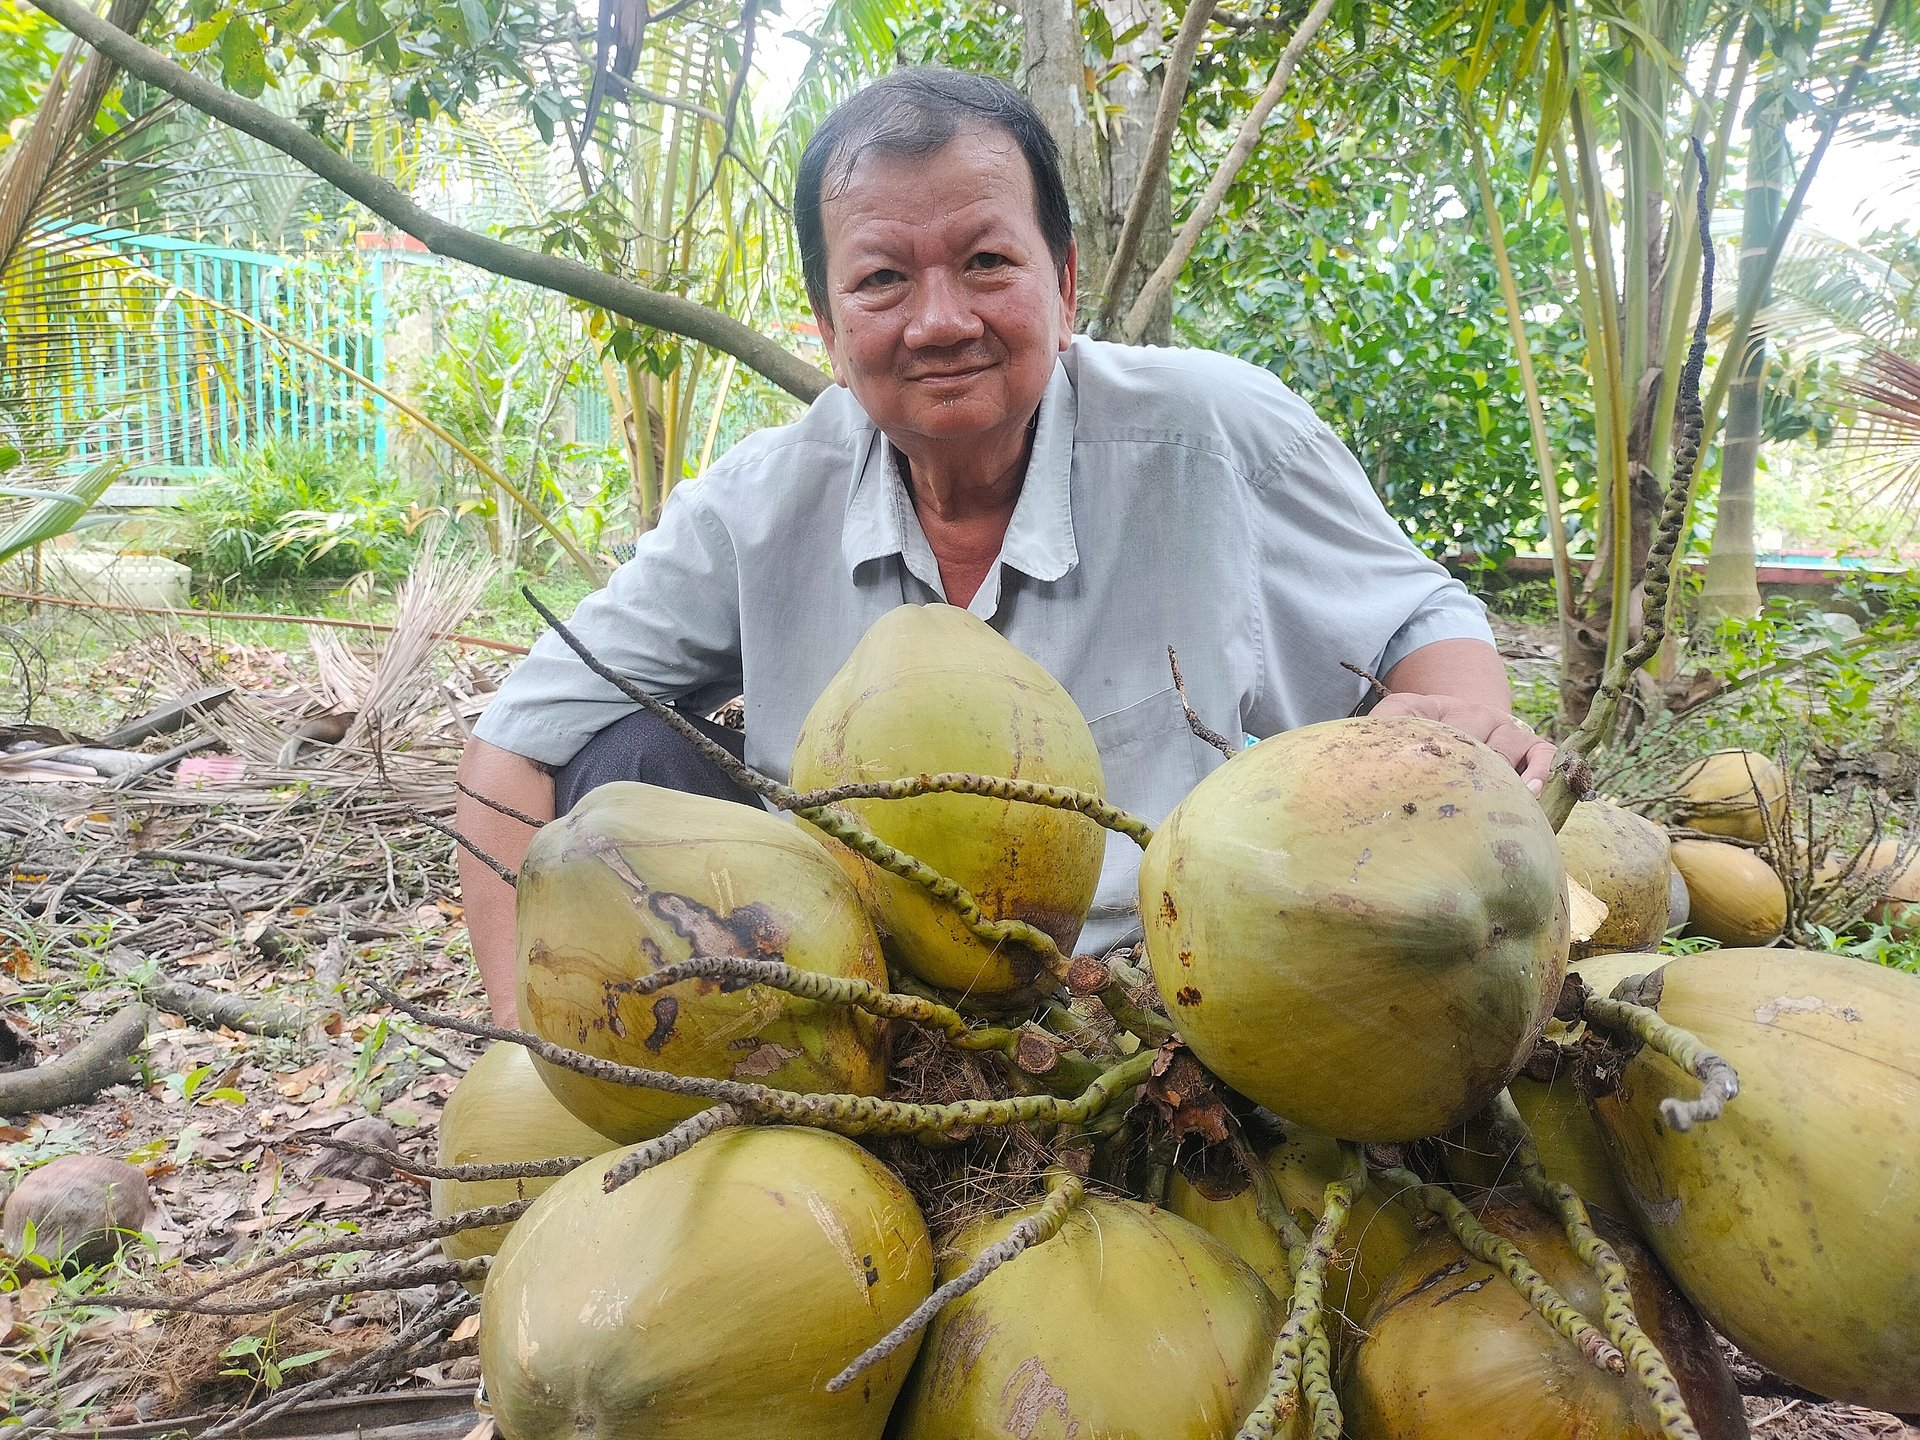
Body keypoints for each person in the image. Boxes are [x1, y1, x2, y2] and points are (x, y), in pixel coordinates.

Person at [457, 67, 1556, 1025]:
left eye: (986, 261)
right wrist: (523, 1038)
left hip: (1192, 995)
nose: (940, 321)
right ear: (830, 330)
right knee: (617, 764)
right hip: (857, 1004)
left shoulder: (1216, 438)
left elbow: (1423, 617)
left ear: (1064, 285)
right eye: (883, 279)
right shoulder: (754, 507)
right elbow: (517, 741)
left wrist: (1458, 728)